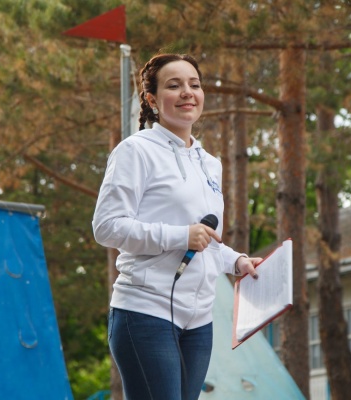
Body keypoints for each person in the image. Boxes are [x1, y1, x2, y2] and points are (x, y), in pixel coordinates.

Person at [92, 53, 261, 400]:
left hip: (198, 321)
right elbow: (106, 226)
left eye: (194, 85)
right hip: (145, 311)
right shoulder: (134, 151)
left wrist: (237, 261)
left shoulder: (210, 164)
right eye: (174, 85)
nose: (187, 92)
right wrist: (180, 235)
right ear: (152, 100)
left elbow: (206, 239)